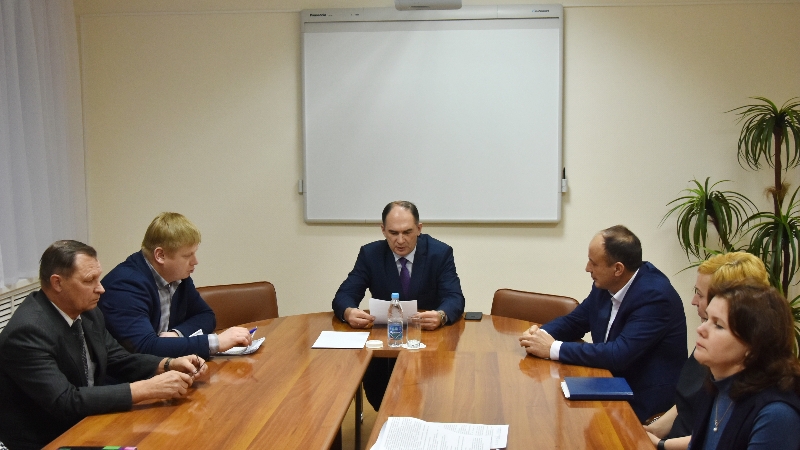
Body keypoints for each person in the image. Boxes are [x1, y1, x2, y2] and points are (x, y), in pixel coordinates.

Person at [0, 241, 208, 450]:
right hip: (50, 441)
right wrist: (147, 388)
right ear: (57, 283)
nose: (100, 288)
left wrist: (168, 364)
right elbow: (65, 401)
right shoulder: (28, 332)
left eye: (98, 278)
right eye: (89, 280)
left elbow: (117, 358)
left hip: (88, 424)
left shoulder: (88, 312)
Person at [519, 225, 686, 422]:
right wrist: (540, 334)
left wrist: (552, 348)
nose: (587, 268)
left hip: (639, 401)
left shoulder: (655, 297)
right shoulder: (606, 285)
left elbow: (618, 354)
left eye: (594, 263)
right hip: (605, 382)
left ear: (618, 269)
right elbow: (575, 321)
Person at [332, 200, 465, 409]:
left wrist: (441, 315)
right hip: (385, 344)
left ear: (419, 229)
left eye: (407, 232)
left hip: (427, 342)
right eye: (393, 233)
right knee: (379, 394)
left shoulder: (440, 253)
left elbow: (455, 297)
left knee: (434, 399)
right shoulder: (370, 255)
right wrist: (348, 312)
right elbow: (344, 295)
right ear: (383, 230)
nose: (400, 240)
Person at [646, 252, 769, 450]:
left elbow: (716, 436)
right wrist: (652, 431)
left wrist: (661, 444)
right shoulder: (711, 342)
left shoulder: (768, 404)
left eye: (701, 294)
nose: (694, 301)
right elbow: (687, 403)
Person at [99, 212, 252, 359]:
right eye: (187, 255)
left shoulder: (178, 278)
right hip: (128, 374)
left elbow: (205, 315)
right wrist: (215, 342)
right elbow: (144, 347)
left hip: (166, 367)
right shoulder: (125, 286)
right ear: (160, 255)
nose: (195, 261)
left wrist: (177, 334)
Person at [688, 283, 800, 449]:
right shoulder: (715, 385)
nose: (700, 329)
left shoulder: (776, 414)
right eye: (706, 319)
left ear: (753, 346)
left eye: (718, 325)